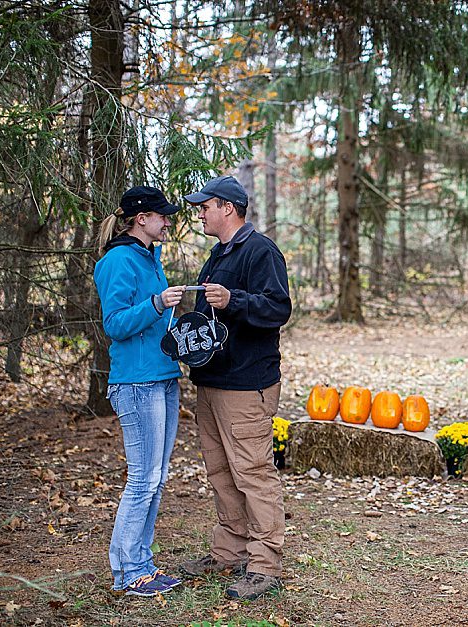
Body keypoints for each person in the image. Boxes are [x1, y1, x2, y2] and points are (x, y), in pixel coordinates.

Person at [178, 175, 292, 600]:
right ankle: (229, 550)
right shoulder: (217, 254)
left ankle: (264, 564)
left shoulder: (260, 251)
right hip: (211, 381)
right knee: (220, 470)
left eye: (204, 205)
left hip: (247, 384)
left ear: (228, 207)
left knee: (253, 473)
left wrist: (236, 301)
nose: (199, 212)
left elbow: (278, 308)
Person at [93, 186, 186, 596]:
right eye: (162, 215)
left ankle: (141, 564)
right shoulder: (118, 260)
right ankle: (129, 572)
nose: (168, 221)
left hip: (164, 377)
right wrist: (156, 302)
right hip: (136, 383)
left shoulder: (151, 258)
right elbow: (113, 323)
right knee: (143, 479)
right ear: (141, 218)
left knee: (157, 477)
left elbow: (154, 323)